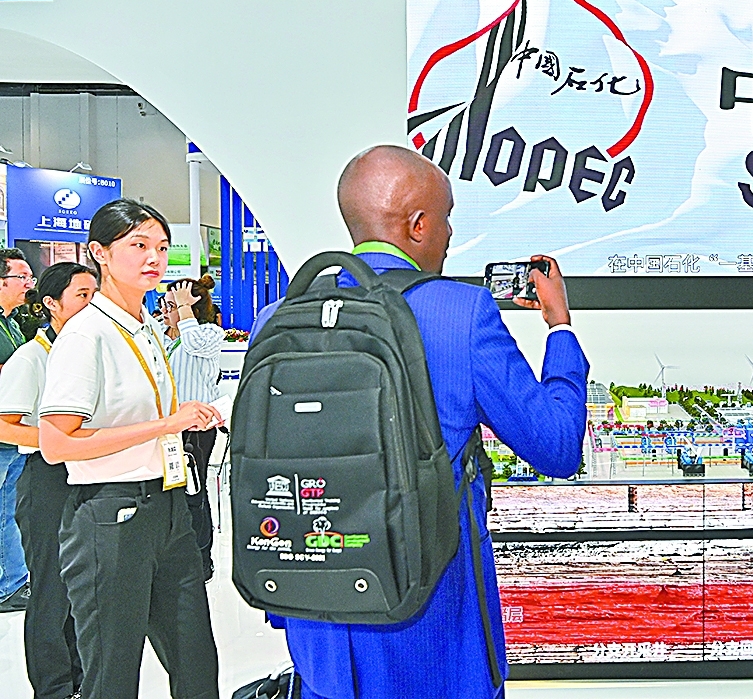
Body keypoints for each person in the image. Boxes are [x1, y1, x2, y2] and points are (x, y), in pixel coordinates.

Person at [250, 145, 589, 699]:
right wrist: (560, 326)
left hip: (318, 625)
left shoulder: (277, 319)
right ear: (418, 224)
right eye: (447, 217)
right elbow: (556, 446)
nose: (450, 233)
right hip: (430, 622)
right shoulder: (462, 312)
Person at [38, 199, 223, 699]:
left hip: (167, 507)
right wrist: (166, 424)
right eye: (138, 245)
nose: (154, 257)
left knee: (197, 662)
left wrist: (187, 414)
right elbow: (56, 443)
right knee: (113, 673)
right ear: (100, 253)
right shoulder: (86, 334)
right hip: (110, 515)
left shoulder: (146, 327)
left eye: (161, 246)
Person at [0, 262, 97, 699]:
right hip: (46, 477)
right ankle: (53, 688)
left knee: (82, 589)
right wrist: (56, 439)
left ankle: (79, 680)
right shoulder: (31, 357)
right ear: (51, 304)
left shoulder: (90, 351)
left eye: (95, 294)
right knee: (52, 590)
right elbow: (4, 426)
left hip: (86, 476)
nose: (92, 304)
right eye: (81, 295)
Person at [163, 274, 225, 580]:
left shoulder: (210, 334)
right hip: (166, 427)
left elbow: (194, 343)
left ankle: (202, 560)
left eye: (172, 305)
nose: (165, 311)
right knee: (171, 496)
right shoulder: (162, 336)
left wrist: (185, 309)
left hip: (197, 430)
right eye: (165, 304)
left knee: (194, 494)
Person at [0, 247, 35, 613]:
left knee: (8, 509)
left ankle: (11, 582)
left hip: (15, 431)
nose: (29, 283)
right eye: (21, 277)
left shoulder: (12, 322)